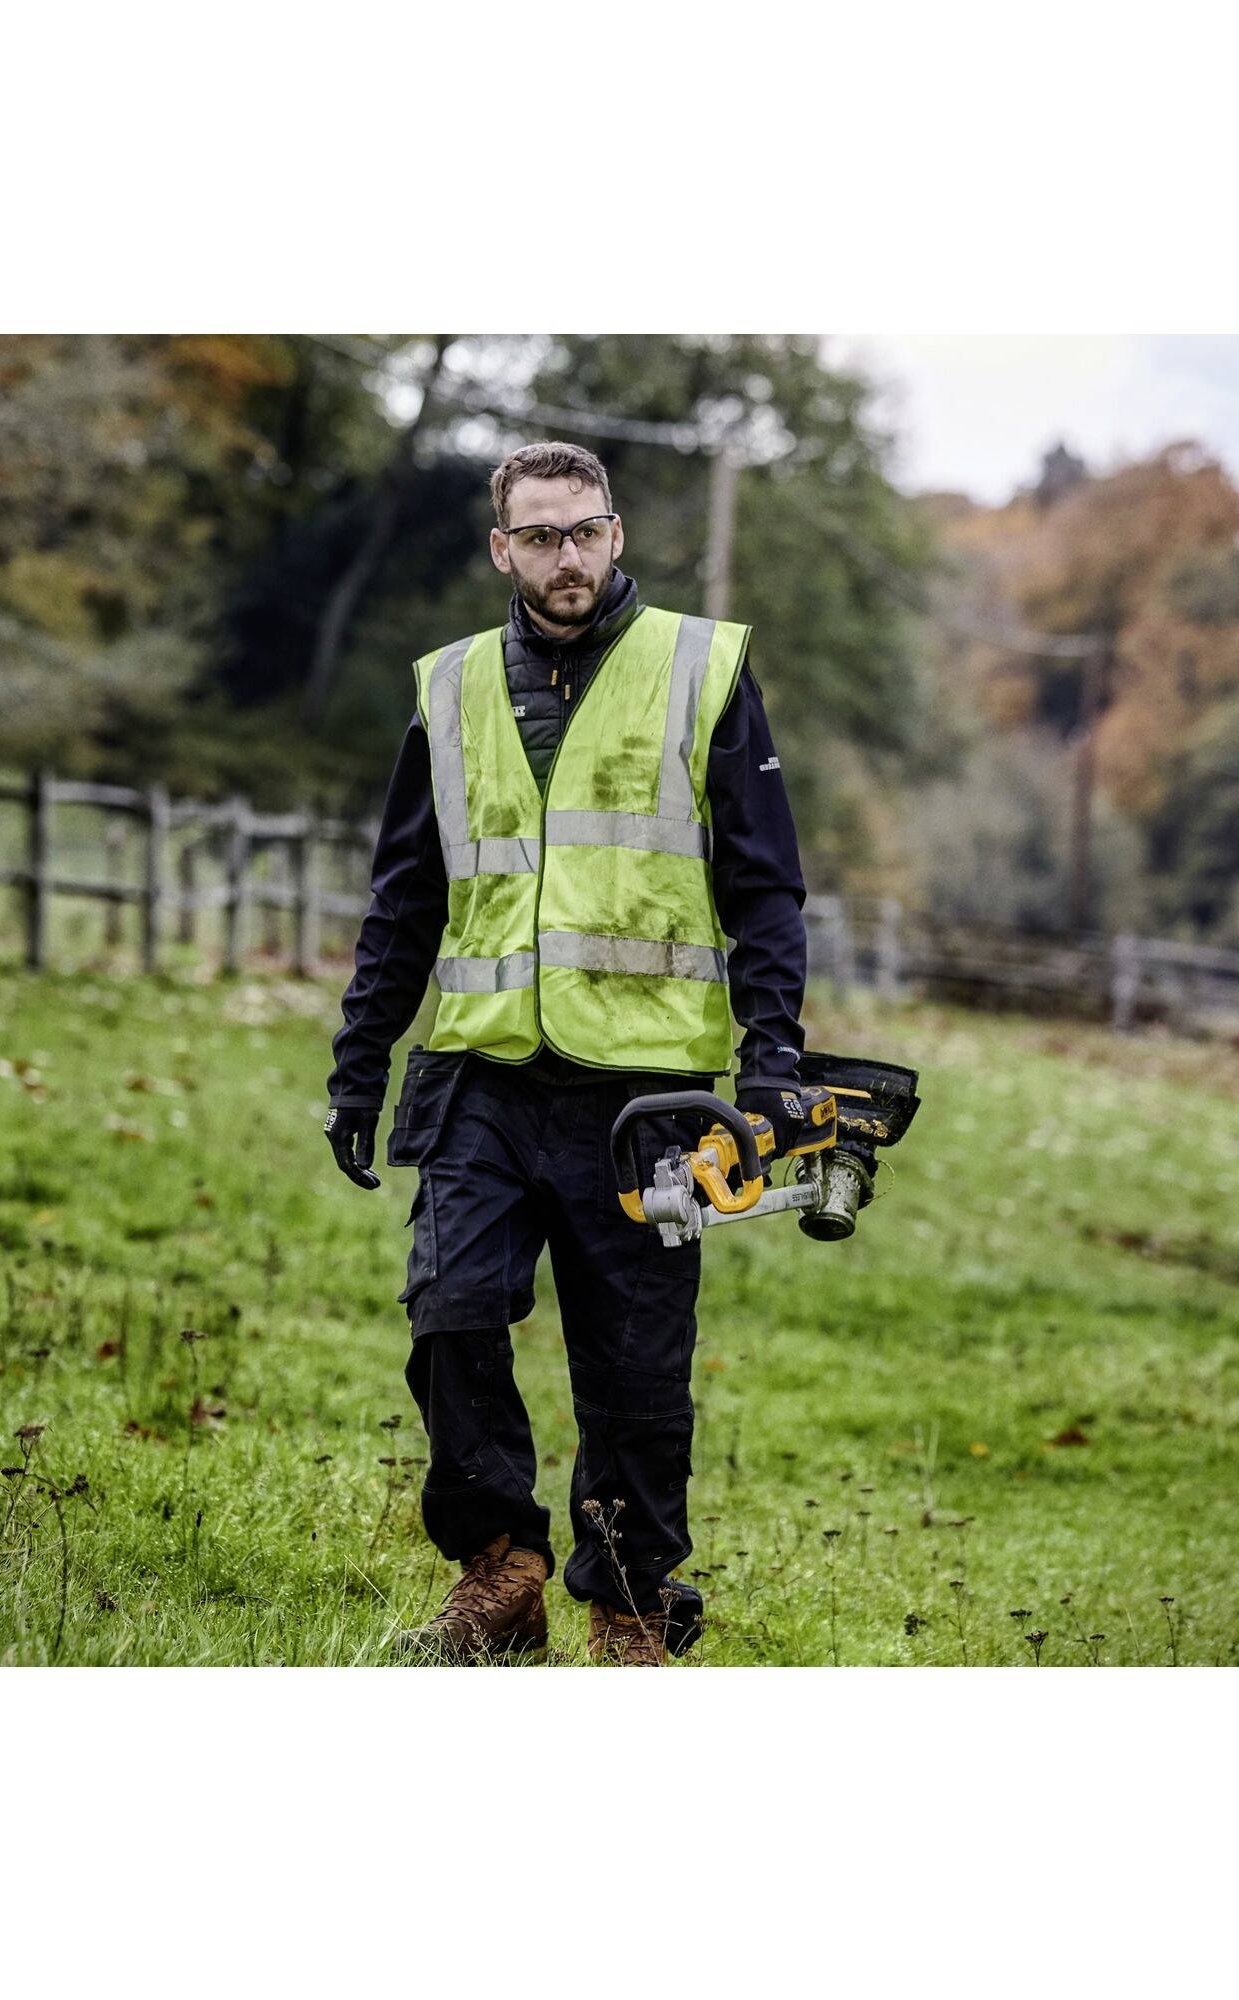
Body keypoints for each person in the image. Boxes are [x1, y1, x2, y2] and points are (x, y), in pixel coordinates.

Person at [325, 439, 813, 1665]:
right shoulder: (446, 689)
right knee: (449, 1313)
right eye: (539, 536)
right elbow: (405, 895)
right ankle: (499, 1568)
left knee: (635, 1368)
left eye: (584, 530)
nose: (566, 557)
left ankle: (631, 1609)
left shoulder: (700, 671)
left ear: (616, 533)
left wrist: (770, 1059)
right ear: (502, 549)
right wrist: (358, 1055)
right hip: (482, 1074)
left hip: (645, 1092)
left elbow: (763, 888)